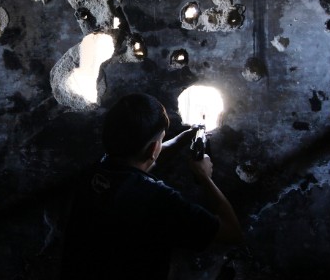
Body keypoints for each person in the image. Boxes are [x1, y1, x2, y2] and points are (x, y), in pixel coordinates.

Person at [60, 93, 242, 280]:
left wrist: (181, 139)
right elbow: (232, 233)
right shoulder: (160, 200)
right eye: (161, 141)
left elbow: (138, 164)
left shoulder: (93, 173)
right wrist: (205, 178)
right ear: (153, 149)